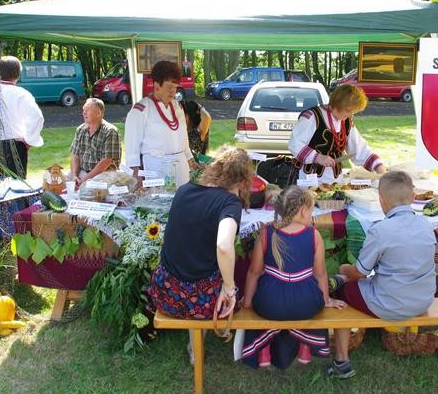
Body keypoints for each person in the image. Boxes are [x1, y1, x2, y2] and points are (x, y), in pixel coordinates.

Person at [328, 170, 436, 378]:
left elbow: (359, 273)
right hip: (423, 301)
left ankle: (341, 361)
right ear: (413, 198)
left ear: (381, 200)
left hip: (391, 304)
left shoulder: (381, 230)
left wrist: (343, 270)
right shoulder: (426, 225)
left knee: (343, 290)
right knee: (362, 281)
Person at [240, 186, 346, 369]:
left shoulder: (266, 233)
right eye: (311, 210)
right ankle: (305, 347)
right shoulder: (314, 235)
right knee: (307, 297)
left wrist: (248, 302)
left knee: (264, 301)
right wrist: (326, 299)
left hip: (269, 304)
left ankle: (264, 351)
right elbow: (320, 273)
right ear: (304, 210)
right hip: (306, 305)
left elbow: (254, 272)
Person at [148, 146, 253, 323]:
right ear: (243, 180)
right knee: (237, 285)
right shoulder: (230, 203)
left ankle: (194, 343)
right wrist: (229, 288)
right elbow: (224, 245)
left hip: (163, 292)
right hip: (202, 301)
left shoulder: (184, 190)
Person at [287, 83, 386, 183]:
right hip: (308, 180)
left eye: (353, 112)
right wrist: (317, 157)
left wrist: (379, 167)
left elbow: (359, 149)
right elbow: (295, 144)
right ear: (338, 104)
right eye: (348, 110)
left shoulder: (346, 122)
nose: (350, 115)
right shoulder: (312, 117)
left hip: (335, 180)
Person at [125, 61, 195, 187]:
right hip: (156, 168)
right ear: (157, 86)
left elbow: (183, 138)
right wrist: (136, 174)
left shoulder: (177, 106)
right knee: (160, 204)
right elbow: (132, 147)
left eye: (175, 87)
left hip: (181, 167)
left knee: (183, 202)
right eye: (169, 87)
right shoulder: (141, 109)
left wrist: (190, 159)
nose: (173, 92)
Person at [0, 56, 44, 179]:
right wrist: (28, 140)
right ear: (18, 73)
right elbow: (37, 118)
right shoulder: (21, 94)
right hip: (12, 147)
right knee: (13, 186)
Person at [70, 98, 121, 189]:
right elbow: (75, 155)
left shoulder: (110, 131)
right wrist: (74, 176)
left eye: (88, 110)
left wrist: (86, 178)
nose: (84, 113)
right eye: (83, 110)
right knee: (60, 182)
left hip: (104, 175)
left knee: (90, 191)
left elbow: (106, 161)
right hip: (82, 172)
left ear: (99, 113)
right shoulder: (80, 130)